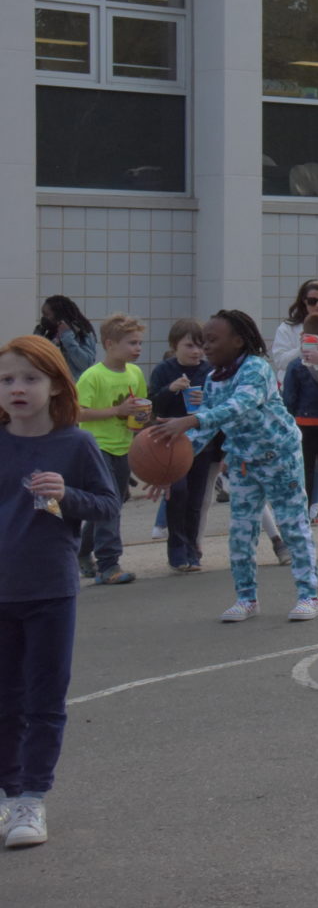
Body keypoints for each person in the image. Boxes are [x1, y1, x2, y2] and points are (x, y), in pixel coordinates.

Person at [0, 334, 121, 851]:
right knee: (4, 701)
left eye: (30, 378)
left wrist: (65, 495)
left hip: (50, 588)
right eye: (7, 379)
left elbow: (108, 505)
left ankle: (32, 797)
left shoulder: (75, 444)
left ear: (55, 386)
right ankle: (6, 793)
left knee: (44, 700)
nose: (17, 388)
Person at [156, 311, 318, 622]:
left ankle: (308, 595)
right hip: (244, 464)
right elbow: (202, 432)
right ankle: (246, 598)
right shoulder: (211, 379)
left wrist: (192, 418)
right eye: (203, 340)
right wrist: (168, 470)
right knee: (240, 533)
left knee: (293, 527)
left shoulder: (256, 369)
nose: (206, 346)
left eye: (213, 340)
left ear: (238, 341)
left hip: (280, 459)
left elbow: (239, 406)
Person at [73, 313, 152, 586]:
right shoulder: (93, 376)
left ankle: (82, 552)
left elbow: (139, 407)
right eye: (132, 343)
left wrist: (142, 421)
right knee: (110, 507)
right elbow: (77, 414)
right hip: (97, 448)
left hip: (124, 447)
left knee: (111, 504)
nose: (138, 348)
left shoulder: (135, 373)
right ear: (109, 344)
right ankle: (109, 564)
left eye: (139, 342)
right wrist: (117, 411)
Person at [148, 319, 233, 573]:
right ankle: (176, 551)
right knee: (178, 493)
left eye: (200, 346)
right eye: (189, 346)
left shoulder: (210, 371)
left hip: (204, 446)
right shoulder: (164, 370)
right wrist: (170, 390)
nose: (196, 351)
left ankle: (192, 551)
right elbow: (153, 407)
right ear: (175, 346)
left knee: (197, 499)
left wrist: (206, 399)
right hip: (173, 445)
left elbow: (223, 407)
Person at [282, 314, 318, 521]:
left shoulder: (296, 364)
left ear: (302, 336)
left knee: (306, 468)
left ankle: (304, 507)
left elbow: (289, 396)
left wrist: (289, 417)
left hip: (303, 422)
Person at [269, 280, 318, 374]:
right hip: (296, 384)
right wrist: (302, 349)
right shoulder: (288, 327)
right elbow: (280, 362)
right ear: (304, 301)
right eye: (312, 301)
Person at [33, 298, 98, 381]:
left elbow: (85, 364)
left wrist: (67, 338)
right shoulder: (49, 335)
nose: (44, 318)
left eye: (47, 315)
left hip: (76, 388)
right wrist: (38, 339)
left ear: (58, 315)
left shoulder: (82, 334)